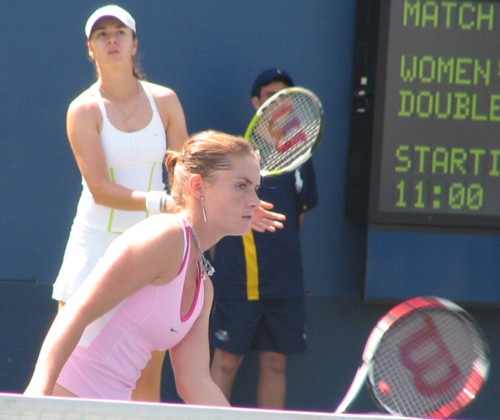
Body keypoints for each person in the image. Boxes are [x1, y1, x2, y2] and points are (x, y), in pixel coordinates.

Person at [51, 5, 284, 402]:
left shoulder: (164, 101)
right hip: (97, 239)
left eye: (119, 32)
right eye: (101, 34)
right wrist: (166, 204)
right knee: (73, 350)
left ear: (134, 43)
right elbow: (100, 189)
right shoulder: (83, 109)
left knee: (147, 370)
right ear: (90, 48)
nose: (111, 40)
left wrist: (231, 196)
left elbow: (189, 167)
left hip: (161, 236)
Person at [25, 130, 261, 404]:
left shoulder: (203, 285)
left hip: (114, 407)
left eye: (255, 188)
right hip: (67, 400)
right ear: (198, 187)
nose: (254, 200)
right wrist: (38, 397)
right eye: (242, 186)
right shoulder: (163, 238)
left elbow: (196, 383)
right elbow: (75, 313)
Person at [209, 68, 318, 409]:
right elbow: (212, 211)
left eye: (284, 99)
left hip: (283, 281)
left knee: (275, 362)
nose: (276, 105)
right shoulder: (236, 156)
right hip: (238, 278)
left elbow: (299, 215)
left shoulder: (301, 159)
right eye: (270, 97)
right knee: (226, 361)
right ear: (256, 102)